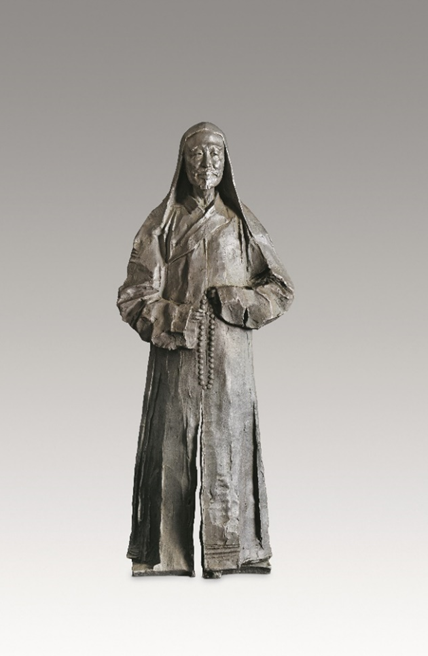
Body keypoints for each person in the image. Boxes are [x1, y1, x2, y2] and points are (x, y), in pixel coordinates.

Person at [117, 122, 294, 578]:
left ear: (226, 162)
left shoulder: (241, 224)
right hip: (175, 355)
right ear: (183, 161)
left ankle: (237, 551)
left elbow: (280, 289)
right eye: (197, 153)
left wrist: (236, 301)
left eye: (215, 153)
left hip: (230, 359)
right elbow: (133, 296)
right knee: (168, 452)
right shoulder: (162, 223)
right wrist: (176, 318)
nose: (207, 162)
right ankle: (163, 554)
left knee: (231, 447)